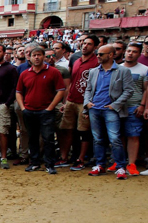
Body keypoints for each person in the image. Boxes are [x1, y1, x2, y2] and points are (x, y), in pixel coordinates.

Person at [84, 45, 134, 179]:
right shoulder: (94, 71)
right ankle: (100, 165)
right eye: (98, 54)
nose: (98, 56)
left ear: (111, 55)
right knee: (98, 139)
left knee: (115, 139)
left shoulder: (123, 71)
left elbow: (129, 90)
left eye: (101, 54)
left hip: (111, 109)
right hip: (95, 108)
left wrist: (115, 105)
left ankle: (121, 167)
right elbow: (88, 89)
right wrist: (87, 103)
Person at [15, 45, 65, 174]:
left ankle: (49, 164)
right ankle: (35, 162)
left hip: (46, 111)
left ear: (43, 56)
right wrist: (23, 108)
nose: (36, 57)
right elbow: (19, 92)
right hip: (29, 110)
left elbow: (60, 91)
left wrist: (50, 108)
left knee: (48, 138)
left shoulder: (53, 72)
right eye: (34, 55)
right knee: (32, 137)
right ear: (30, 58)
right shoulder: (25, 74)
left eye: (39, 55)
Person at [60, 36, 100, 171]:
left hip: (85, 101)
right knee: (67, 129)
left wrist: (90, 103)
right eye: (83, 43)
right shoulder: (76, 61)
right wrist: (66, 101)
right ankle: (64, 157)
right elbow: (72, 81)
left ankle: (81, 159)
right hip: (72, 99)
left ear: (95, 47)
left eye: (89, 44)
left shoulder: (96, 62)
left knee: (84, 132)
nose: (85, 46)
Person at [120, 43, 147, 177]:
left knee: (133, 135)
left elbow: (146, 89)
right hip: (118, 107)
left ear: (139, 54)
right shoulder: (117, 68)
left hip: (134, 106)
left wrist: (143, 105)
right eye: (129, 51)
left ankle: (131, 163)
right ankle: (119, 163)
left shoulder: (144, 69)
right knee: (119, 135)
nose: (130, 54)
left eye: (134, 52)